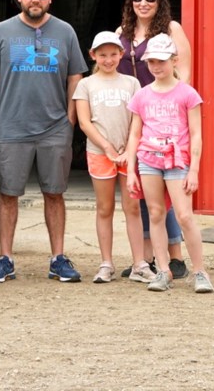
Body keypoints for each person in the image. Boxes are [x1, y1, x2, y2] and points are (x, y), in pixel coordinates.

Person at [0, 0, 89, 283]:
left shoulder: (65, 32)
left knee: (55, 193)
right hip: (12, 127)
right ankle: (5, 259)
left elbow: (75, 76)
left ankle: (57, 259)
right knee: (8, 194)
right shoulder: (1, 32)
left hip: (55, 129)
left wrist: (71, 117)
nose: (35, 0)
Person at [115, 0, 192, 280]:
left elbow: (184, 74)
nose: (143, 3)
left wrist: (168, 115)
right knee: (143, 189)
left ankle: (175, 256)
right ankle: (145, 257)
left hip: (163, 120)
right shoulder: (123, 31)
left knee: (165, 189)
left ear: (160, 0)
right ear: (130, 1)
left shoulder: (172, 29)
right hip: (132, 117)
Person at [125, 34, 214, 293]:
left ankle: (200, 271)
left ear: (174, 61)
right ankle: (163, 270)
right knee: (155, 213)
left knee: (185, 215)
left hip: (177, 162)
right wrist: (131, 170)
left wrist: (194, 169)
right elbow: (134, 134)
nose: (156, 66)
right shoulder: (142, 96)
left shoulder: (187, 94)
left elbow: (196, 133)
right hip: (149, 161)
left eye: (161, 61)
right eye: (151, 61)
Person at [73, 31, 152, 284]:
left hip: (129, 153)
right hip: (99, 152)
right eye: (103, 55)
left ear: (121, 55)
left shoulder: (131, 84)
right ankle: (106, 263)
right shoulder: (86, 84)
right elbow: (84, 122)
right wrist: (107, 148)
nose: (108, 60)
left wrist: (129, 150)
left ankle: (139, 262)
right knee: (104, 208)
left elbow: (137, 121)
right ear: (93, 55)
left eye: (113, 54)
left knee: (132, 208)